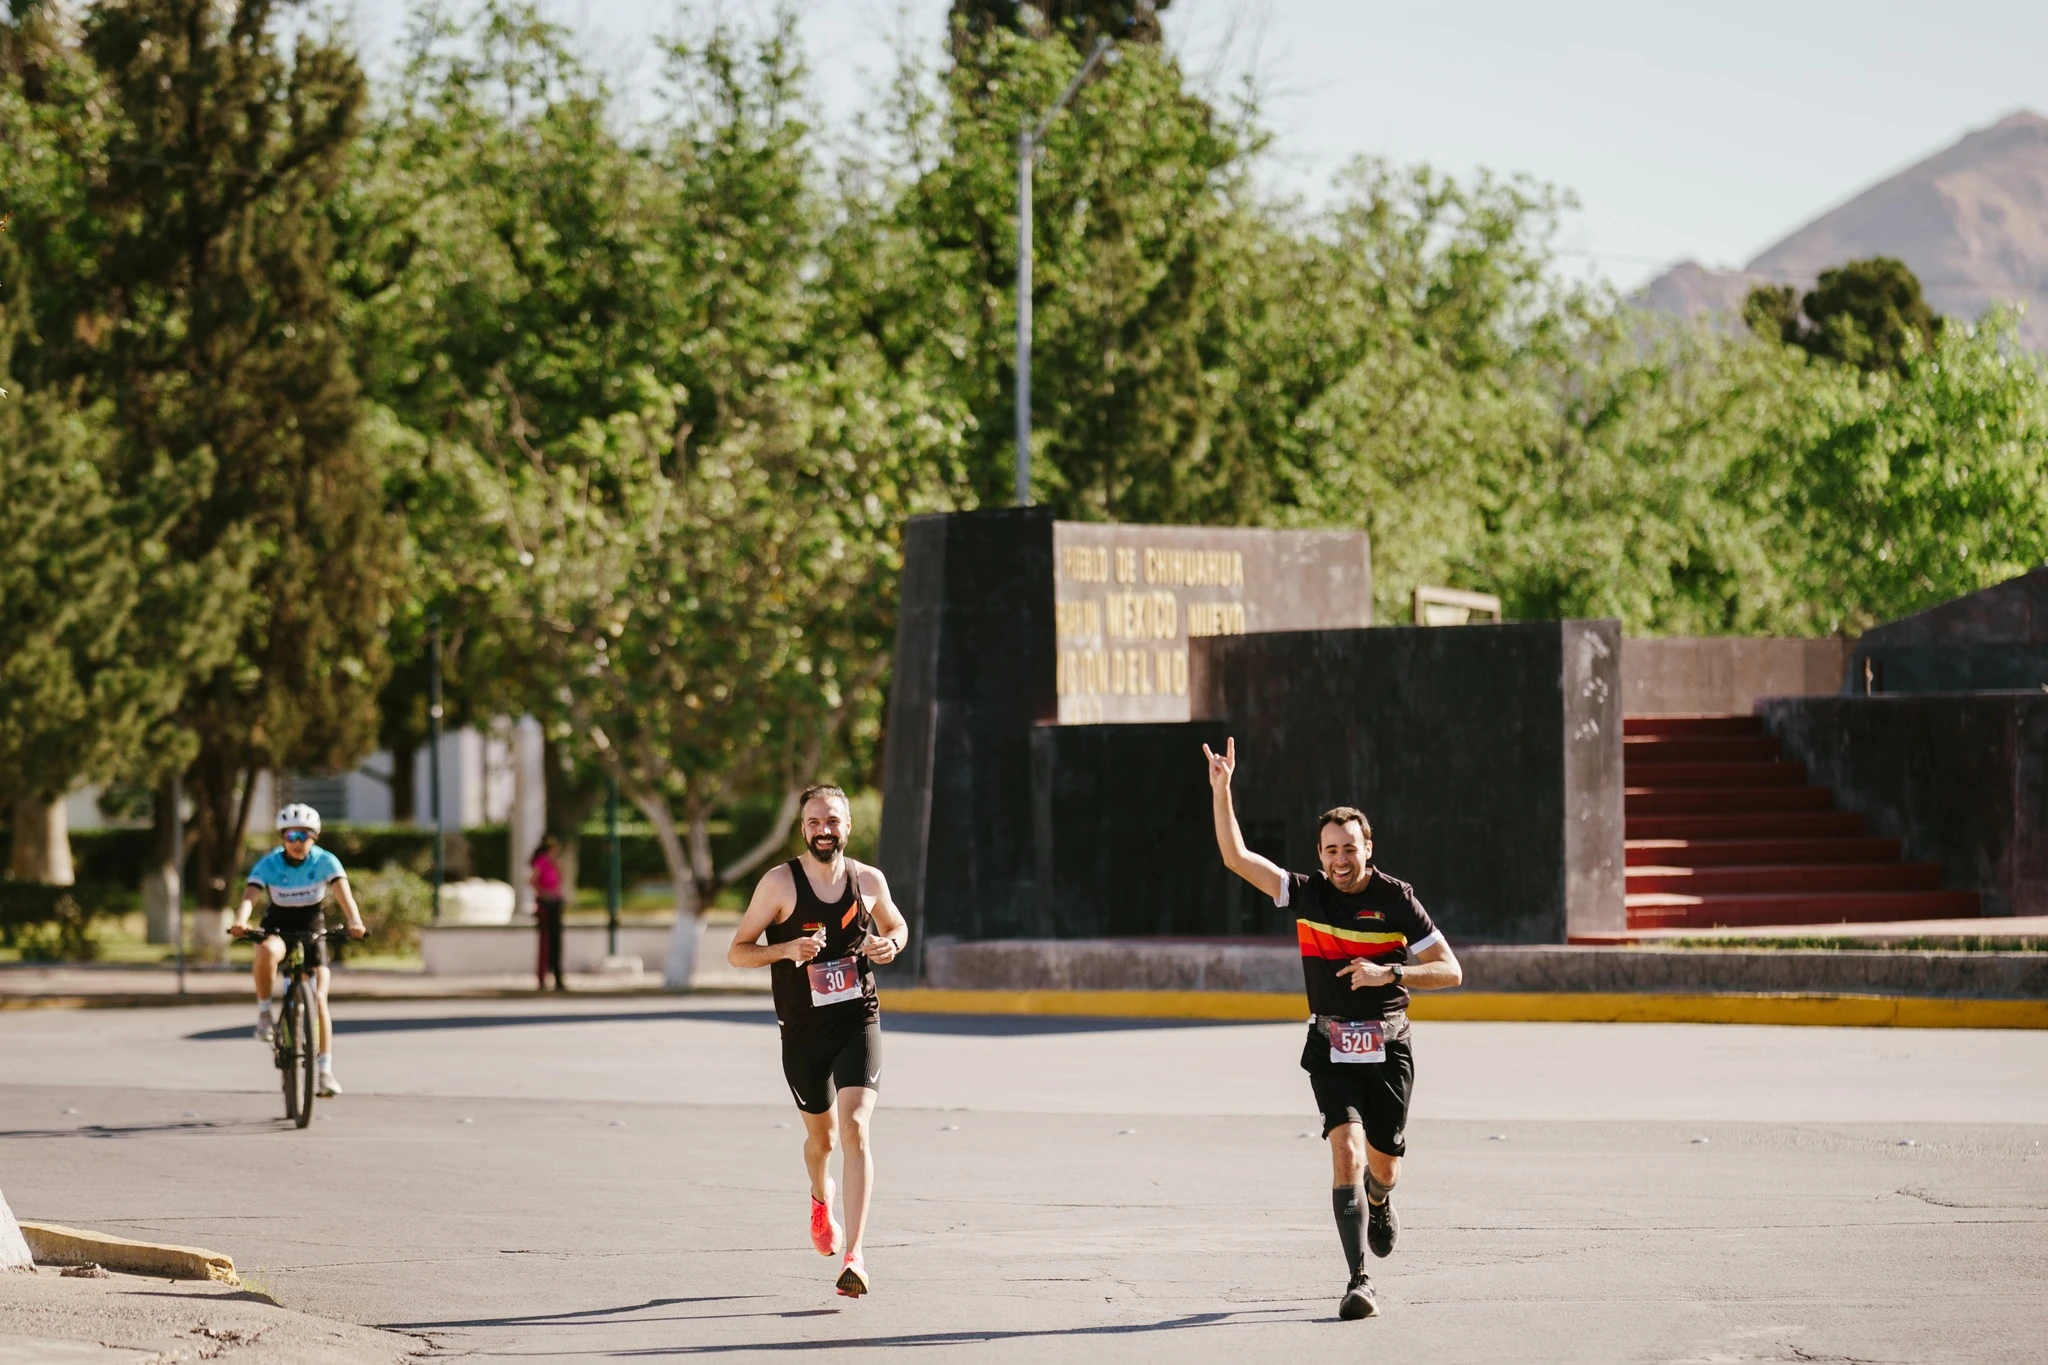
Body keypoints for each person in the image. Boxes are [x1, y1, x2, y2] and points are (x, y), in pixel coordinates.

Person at [1203, 737, 1463, 1321]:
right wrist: (1223, 791)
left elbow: (1451, 970)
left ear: (1368, 848)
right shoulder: (1307, 893)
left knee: (1382, 1164)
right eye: (1329, 850)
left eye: (1349, 848)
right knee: (1343, 1152)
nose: (1339, 859)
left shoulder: (1398, 901)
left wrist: (1387, 971)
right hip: (1330, 1041)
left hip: (1388, 1041)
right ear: (1319, 854)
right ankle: (1358, 1280)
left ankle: (1381, 1196)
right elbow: (1237, 858)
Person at [727, 785, 908, 1300]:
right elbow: (738, 952)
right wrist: (787, 949)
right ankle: (818, 1195)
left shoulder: (868, 880)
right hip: (803, 1032)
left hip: (858, 1018)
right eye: (813, 822)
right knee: (823, 1142)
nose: (823, 830)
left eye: (832, 821)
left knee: (855, 1128)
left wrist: (889, 944)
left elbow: (897, 925)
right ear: (803, 828)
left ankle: (855, 1255)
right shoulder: (779, 884)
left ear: (847, 826)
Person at [228, 804, 367, 1098]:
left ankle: (325, 1072)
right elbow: (250, 896)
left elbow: (345, 895)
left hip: (313, 930)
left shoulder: (325, 861)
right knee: (266, 952)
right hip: (278, 928)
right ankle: (265, 1013)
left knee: (318, 999)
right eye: (290, 835)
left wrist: (355, 922)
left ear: (313, 837)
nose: (296, 841)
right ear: (282, 837)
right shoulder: (269, 864)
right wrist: (241, 920)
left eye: (303, 835)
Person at [531, 835, 567, 992]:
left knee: (557, 943)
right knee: (546, 942)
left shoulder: (553, 863)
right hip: (546, 905)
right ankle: (543, 978)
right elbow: (533, 880)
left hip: (555, 903)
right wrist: (544, 894)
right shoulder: (541, 862)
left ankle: (558, 977)